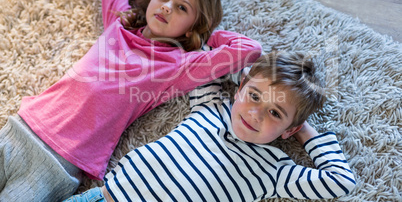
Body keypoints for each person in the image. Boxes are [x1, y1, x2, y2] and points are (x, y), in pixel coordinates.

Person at [0, 0, 262, 201]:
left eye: (182, 8)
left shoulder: (177, 66)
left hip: (56, 163)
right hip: (19, 128)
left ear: (193, 25)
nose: (168, 7)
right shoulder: (119, 24)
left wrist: (206, 32)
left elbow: (249, 49)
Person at [64, 51, 356, 202]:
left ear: (288, 129)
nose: (255, 114)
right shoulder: (211, 109)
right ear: (241, 87)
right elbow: (205, 62)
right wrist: (247, 74)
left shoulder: (275, 170)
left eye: (275, 113)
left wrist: (304, 131)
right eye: (254, 96)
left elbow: (340, 181)